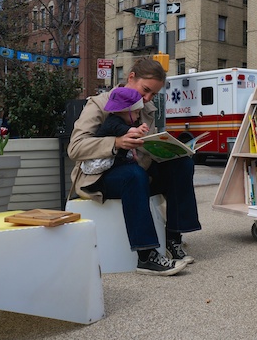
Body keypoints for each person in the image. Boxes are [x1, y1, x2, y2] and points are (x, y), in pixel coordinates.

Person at [68, 58, 201, 276]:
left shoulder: (146, 108)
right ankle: (146, 256)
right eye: (145, 90)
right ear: (131, 77)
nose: (147, 99)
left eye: (153, 95)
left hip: (137, 167)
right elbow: (75, 148)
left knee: (181, 164)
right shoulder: (100, 103)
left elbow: (146, 146)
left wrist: (168, 149)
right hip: (102, 176)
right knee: (134, 175)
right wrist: (116, 143)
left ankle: (174, 239)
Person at [79, 87, 148, 175]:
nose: (138, 116)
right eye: (136, 112)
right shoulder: (113, 121)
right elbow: (121, 129)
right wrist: (137, 130)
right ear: (124, 111)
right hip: (101, 160)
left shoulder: (122, 122)